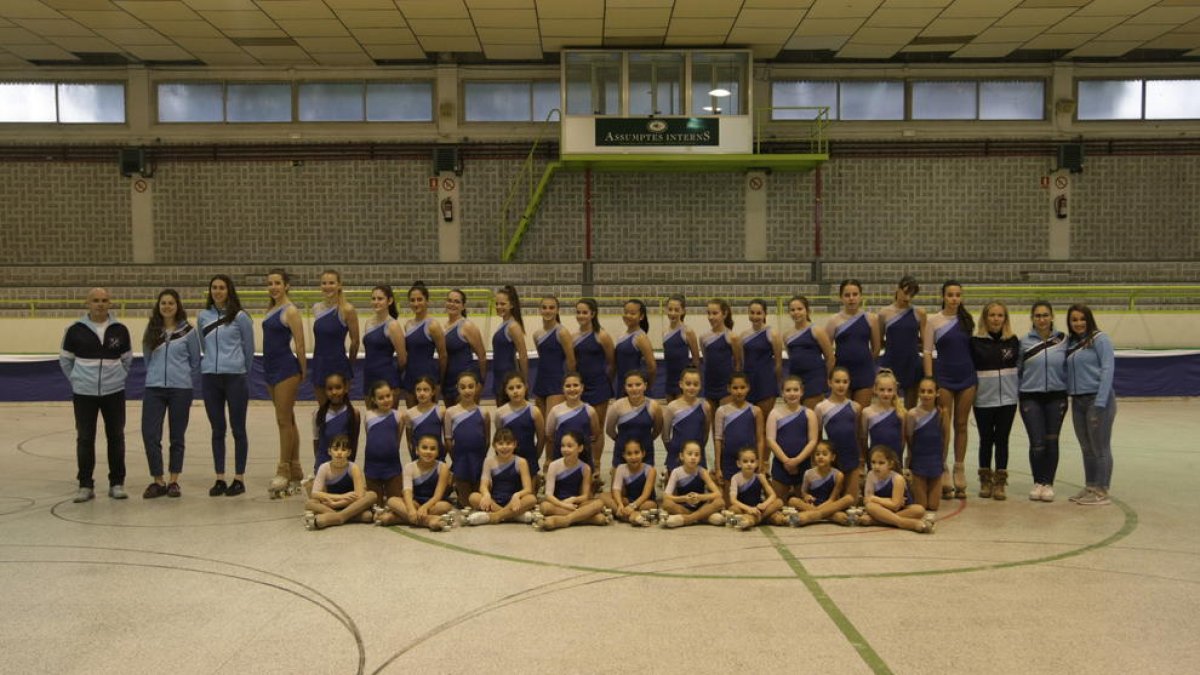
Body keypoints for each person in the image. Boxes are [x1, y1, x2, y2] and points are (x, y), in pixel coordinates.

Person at [60, 287, 132, 502]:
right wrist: (77, 380)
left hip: (114, 393)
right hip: (84, 394)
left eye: (104, 300)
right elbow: (65, 360)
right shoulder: (74, 330)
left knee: (116, 437)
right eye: (96, 300)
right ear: (87, 303)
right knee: (85, 439)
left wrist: (118, 378)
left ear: (110, 303)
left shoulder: (120, 329)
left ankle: (117, 483)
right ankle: (85, 485)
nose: (100, 304)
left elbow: (127, 360)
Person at [141, 289, 201, 499]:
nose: (167, 307)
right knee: (150, 434)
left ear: (178, 306)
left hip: (180, 389)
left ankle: (174, 481)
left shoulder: (189, 332)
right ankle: (158, 480)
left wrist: (184, 379)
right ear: (158, 306)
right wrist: (155, 375)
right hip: (154, 388)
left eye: (171, 303)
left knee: (177, 436)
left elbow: (195, 361)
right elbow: (147, 358)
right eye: (163, 303)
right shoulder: (152, 329)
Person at [198, 274, 254, 497]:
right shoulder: (203, 316)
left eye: (222, 287)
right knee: (217, 429)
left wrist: (241, 369)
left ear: (229, 290)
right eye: (214, 287)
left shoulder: (240, 317)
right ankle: (220, 477)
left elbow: (249, 348)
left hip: (235, 377)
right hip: (210, 378)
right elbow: (204, 345)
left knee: (238, 429)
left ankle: (239, 478)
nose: (218, 291)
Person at [924, 280, 976, 499]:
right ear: (943, 297)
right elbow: (927, 351)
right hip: (944, 377)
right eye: (950, 295)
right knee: (944, 425)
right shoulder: (933, 321)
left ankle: (959, 468)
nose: (954, 298)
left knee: (961, 424)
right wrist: (929, 379)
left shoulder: (967, 320)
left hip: (967, 376)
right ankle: (943, 467)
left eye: (957, 295)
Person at [1066, 304, 1117, 506]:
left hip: (1097, 400)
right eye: (1074, 320)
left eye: (1082, 319)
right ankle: (1090, 486)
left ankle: (1102, 490)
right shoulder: (1071, 343)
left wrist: (1100, 402)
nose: (1078, 323)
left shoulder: (1100, 339)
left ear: (1089, 319)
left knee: (1100, 447)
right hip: (1078, 401)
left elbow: (1107, 369)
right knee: (1086, 447)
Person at [1019, 301, 1068, 502]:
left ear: (1052, 316)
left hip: (1056, 396)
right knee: (1037, 442)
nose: (1042, 319)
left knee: (1052, 441)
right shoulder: (1024, 342)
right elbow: (1018, 369)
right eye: (1038, 316)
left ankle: (1048, 483)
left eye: (1045, 315)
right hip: (1030, 396)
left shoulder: (1063, 340)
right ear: (1032, 318)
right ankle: (1038, 481)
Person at [263, 268, 306, 498]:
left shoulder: (290, 311)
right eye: (270, 283)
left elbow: (300, 343)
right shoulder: (270, 309)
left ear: (286, 285)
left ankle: (283, 469)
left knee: (283, 421)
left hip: (286, 369)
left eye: (277, 283)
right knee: (288, 419)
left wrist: (302, 370)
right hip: (270, 368)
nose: (273, 287)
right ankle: (295, 469)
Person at [971, 301, 1020, 500]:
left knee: (1002, 440)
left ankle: (1000, 481)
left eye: (1000, 315)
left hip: (1008, 400)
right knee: (985, 440)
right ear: (985, 318)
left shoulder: (1013, 341)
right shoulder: (975, 342)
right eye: (992, 315)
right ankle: (985, 479)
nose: (996, 319)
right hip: (983, 400)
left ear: (1005, 318)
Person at [374, 434, 454, 531]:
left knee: (445, 506)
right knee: (392, 501)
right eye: (424, 448)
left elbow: (438, 495)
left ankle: (397, 518)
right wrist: (411, 509)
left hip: (433, 504)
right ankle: (429, 520)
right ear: (417, 450)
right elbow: (407, 492)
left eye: (433, 449)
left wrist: (424, 507)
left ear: (437, 452)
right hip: (414, 502)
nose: (428, 451)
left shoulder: (442, 467)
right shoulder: (409, 467)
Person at [535, 431, 610, 530]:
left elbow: (585, 496)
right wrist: (564, 505)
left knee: (599, 503)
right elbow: (548, 495)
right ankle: (586, 518)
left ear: (580, 448)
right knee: (545, 507)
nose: (565, 449)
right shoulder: (554, 466)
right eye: (563, 446)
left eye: (569, 446)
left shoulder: (585, 468)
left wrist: (573, 499)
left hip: (576, 505)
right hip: (557, 503)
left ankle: (565, 520)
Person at [825, 279, 880, 409]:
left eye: (855, 294)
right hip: (841, 373)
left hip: (864, 372)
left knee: (861, 413)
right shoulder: (833, 321)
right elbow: (827, 352)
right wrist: (830, 374)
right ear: (841, 297)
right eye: (847, 295)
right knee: (844, 414)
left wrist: (864, 362)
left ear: (861, 296)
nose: (851, 298)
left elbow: (876, 348)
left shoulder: (871, 319)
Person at [464, 428, 538, 525]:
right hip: (495, 501)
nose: (504, 447)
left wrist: (517, 495)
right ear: (494, 445)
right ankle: (513, 516)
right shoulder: (489, 461)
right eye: (500, 443)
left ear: (515, 444)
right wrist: (486, 494)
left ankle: (495, 516)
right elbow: (483, 485)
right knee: (473, 497)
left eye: (508, 443)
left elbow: (528, 489)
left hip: (514, 502)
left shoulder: (521, 462)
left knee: (531, 499)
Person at [303, 435, 377, 530]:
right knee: (310, 503)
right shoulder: (324, 468)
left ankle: (338, 517)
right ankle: (344, 516)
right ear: (329, 451)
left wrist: (337, 504)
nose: (339, 453)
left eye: (343, 450)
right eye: (335, 449)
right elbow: (315, 493)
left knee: (372, 495)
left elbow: (359, 496)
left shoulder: (353, 468)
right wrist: (340, 497)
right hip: (330, 504)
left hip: (350, 505)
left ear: (349, 452)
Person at [573, 298, 614, 466]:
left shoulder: (602, 335)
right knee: (582, 426)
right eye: (578, 312)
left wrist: (604, 381)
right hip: (581, 388)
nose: (581, 315)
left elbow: (611, 362)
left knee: (597, 428)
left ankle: (596, 464)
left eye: (585, 312)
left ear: (593, 314)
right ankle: (582, 462)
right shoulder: (573, 337)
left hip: (599, 386)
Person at [310, 269, 359, 406]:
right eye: (324, 283)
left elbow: (355, 341)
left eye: (331, 283)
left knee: (340, 408)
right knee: (323, 409)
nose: (327, 286)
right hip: (319, 363)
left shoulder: (347, 309)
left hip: (338, 363)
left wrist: (349, 364)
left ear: (339, 285)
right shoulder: (316, 308)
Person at [858, 445, 934, 534]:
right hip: (881, 509)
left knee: (919, 510)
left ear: (890, 464)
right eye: (873, 462)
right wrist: (888, 501)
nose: (876, 466)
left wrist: (875, 498)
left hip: (900, 510)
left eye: (881, 463)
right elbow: (867, 500)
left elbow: (895, 506)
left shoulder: (897, 479)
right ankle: (904, 522)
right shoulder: (871, 475)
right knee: (870, 506)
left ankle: (878, 521)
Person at [767, 375, 819, 505]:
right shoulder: (774, 413)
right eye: (788, 390)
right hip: (780, 465)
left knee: (803, 503)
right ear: (782, 393)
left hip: (803, 465)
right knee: (777, 504)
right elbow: (770, 440)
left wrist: (797, 460)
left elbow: (813, 441)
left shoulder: (809, 414)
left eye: (795, 390)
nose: (792, 393)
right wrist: (786, 461)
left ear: (802, 392)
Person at [815, 366, 863, 502]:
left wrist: (861, 460)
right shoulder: (821, 407)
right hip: (831, 459)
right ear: (829, 382)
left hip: (851, 457)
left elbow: (858, 435)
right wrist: (818, 461)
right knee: (832, 500)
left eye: (845, 382)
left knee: (851, 501)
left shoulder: (855, 407)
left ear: (849, 383)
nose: (841, 385)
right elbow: (818, 438)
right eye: (837, 381)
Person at [877, 276, 925, 408]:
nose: (907, 298)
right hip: (891, 362)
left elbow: (925, 341)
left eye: (911, 295)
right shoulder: (884, 313)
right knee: (888, 407)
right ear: (897, 289)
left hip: (912, 363)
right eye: (905, 293)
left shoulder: (919, 313)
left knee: (911, 409)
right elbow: (879, 340)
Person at [713, 372, 763, 497]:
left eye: (742, 387)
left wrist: (761, 461)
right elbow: (718, 439)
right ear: (728, 388)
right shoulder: (722, 411)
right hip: (729, 461)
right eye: (735, 388)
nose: (739, 391)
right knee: (729, 501)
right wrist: (718, 467)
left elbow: (760, 439)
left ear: (748, 388)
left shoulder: (755, 411)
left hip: (749, 461)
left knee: (750, 499)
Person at [445, 371, 489, 504]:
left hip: (478, 460)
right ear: (457, 388)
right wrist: (456, 459)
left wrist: (482, 458)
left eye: (471, 386)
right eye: (463, 387)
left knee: (477, 499)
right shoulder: (450, 412)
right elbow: (448, 439)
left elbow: (487, 439)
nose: (467, 391)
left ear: (477, 387)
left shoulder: (484, 412)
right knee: (465, 503)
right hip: (460, 460)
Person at [661, 440, 726, 528]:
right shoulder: (676, 472)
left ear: (700, 458)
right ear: (682, 456)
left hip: (701, 506)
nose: (693, 457)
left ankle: (687, 519)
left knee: (720, 501)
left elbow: (718, 494)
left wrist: (700, 497)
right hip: (684, 507)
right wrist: (684, 498)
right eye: (690, 454)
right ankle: (703, 517)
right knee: (666, 504)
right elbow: (666, 496)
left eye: (696, 455)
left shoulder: (702, 471)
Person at [605, 370, 663, 469]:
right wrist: (622, 441)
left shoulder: (654, 406)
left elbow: (657, 429)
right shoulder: (617, 406)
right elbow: (609, 430)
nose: (634, 388)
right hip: (622, 451)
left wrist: (646, 440)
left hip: (646, 451)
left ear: (645, 386)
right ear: (625, 387)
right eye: (630, 385)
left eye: (638, 385)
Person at [788, 441, 854, 526]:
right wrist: (806, 496)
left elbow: (832, 499)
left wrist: (818, 510)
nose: (820, 457)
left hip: (830, 505)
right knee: (792, 500)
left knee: (849, 498)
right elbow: (803, 493)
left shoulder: (838, 475)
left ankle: (812, 515)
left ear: (832, 457)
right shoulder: (808, 474)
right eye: (817, 454)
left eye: (824, 454)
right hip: (813, 505)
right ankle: (825, 515)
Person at [906, 377, 948, 512]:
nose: (926, 395)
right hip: (919, 461)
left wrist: (943, 460)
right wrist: (911, 459)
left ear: (937, 393)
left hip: (935, 461)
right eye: (922, 391)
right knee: (922, 506)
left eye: (930, 391)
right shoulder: (912, 414)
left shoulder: (942, 413)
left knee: (933, 506)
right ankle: (911, 486)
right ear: (918, 392)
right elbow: (909, 438)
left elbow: (946, 437)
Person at [784, 294, 833, 409]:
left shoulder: (817, 330)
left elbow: (830, 358)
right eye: (792, 310)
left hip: (814, 379)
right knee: (795, 414)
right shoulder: (786, 335)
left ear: (807, 310)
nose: (796, 312)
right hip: (795, 379)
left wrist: (828, 379)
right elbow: (792, 357)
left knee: (811, 414)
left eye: (799, 309)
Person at [402, 281, 446, 407]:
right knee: (411, 415)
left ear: (427, 301)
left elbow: (443, 355)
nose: (416, 303)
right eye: (412, 300)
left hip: (428, 376)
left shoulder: (433, 325)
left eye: (419, 299)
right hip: (410, 376)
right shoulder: (407, 324)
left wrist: (440, 380)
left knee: (429, 415)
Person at [493, 372, 545, 478]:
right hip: (508, 459)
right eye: (511, 388)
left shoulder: (534, 411)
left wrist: (535, 457)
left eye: (518, 387)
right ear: (505, 391)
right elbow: (498, 439)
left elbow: (541, 438)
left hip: (529, 458)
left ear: (525, 387)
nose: (515, 391)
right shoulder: (500, 413)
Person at [545, 372, 600, 469]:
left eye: (575, 385)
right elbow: (549, 435)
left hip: (584, 458)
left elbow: (595, 434)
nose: (572, 389)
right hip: (561, 458)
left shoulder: (590, 411)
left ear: (582, 387)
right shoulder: (555, 411)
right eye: (568, 386)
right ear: (563, 388)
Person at [361, 285, 406, 406]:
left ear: (389, 301)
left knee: (389, 417)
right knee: (371, 416)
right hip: (369, 376)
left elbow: (402, 359)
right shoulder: (368, 322)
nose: (376, 302)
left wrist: (393, 374)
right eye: (373, 298)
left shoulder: (393, 325)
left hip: (387, 378)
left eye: (380, 299)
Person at [442, 288, 487, 406]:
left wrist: (481, 382)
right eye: (449, 300)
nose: (452, 304)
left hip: (466, 382)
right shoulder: (444, 327)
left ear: (463, 306)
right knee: (450, 416)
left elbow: (482, 355)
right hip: (448, 381)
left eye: (457, 302)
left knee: (465, 416)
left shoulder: (468, 326)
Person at [363, 380, 404, 507]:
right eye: (381, 398)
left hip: (392, 465)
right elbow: (369, 438)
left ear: (393, 395)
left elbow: (397, 440)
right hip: (372, 465)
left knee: (395, 503)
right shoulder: (368, 415)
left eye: (388, 396)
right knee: (376, 505)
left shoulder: (399, 416)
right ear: (373, 400)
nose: (385, 400)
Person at [662, 368, 712, 472]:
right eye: (688, 384)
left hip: (697, 455)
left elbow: (706, 433)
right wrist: (673, 451)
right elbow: (665, 436)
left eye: (695, 384)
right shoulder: (672, 407)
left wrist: (698, 449)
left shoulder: (705, 406)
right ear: (681, 384)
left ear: (700, 386)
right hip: (677, 454)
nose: (692, 387)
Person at [532, 295, 575, 415]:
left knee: (552, 422)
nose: (548, 311)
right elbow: (543, 357)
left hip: (557, 382)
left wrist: (569, 385)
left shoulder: (562, 332)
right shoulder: (536, 335)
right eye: (544, 307)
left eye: (551, 307)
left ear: (557, 310)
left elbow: (571, 361)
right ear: (540, 310)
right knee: (540, 423)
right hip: (541, 381)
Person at [311, 372, 360, 477]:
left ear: (345, 388)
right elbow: (316, 441)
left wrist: (349, 468)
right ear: (325, 391)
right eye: (330, 389)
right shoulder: (318, 414)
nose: (334, 392)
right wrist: (318, 467)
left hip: (344, 468)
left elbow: (354, 443)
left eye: (338, 387)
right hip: (323, 466)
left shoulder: (354, 414)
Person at [601, 439, 659, 527]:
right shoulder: (621, 468)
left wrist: (632, 506)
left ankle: (622, 515)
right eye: (629, 454)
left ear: (643, 453)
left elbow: (645, 494)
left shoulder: (650, 470)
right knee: (603, 496)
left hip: (643, 502)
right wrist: (620, 504)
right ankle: (633, 516)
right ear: (624, 455)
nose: (633, 457)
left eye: (637, 452)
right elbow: (616, 489)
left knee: (651, 505)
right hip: (627, 500)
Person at [742, 299, 783, 420]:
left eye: (759, 313)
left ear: (765, 314)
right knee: (749, 421)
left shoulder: (773, 334)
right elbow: (741, 361)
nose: (755, 316)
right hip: (748, 381)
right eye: (752, 313)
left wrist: (778, 385)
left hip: (766, 382)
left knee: (764, 421)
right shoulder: (743, 336)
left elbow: (778, 363)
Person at [726, 448, 785, 530]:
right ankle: (761, 519)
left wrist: (764, 504)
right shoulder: (735, 478)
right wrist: (748, 509)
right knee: (733, 509)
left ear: (757, 463)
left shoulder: (760, 477)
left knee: (779, 502)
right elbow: (733, 500)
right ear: (739, 463)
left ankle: (751, 519)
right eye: (745, 461)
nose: (749, 464)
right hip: (744, 509)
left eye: (752, 461)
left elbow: (773, 495)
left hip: (759, 508)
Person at [701, 298, 742, 412]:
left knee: (725, 418)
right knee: (712, 420)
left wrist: (734, 385)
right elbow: (706, 360)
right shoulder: (703, 338)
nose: (711, 317)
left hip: (726, 385)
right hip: (710, 384)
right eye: (709, 313)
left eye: (715, 313)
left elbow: (738, 364)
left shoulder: (732, 337)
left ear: (724, 314)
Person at [859, 369, 906, 467]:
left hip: (895, 460)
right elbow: (863, 440)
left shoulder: (901, 413)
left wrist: (898, 458)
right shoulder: (867, 413)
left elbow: (902, 441)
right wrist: (867, 458)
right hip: (876, 460)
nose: (886, 393)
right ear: (875, 389)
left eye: (889, 390)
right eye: (882, 390)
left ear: (895, 390)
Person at [491, 285, 528, 402]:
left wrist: (524, 381)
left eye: (502, 304)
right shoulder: (503, 324)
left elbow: (523, 355)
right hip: (499, 375)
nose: (498, 307)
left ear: (511, 305)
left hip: (509, 377)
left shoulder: (513, 326)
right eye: (497, 304)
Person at [662, 294, 700, 402]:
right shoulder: (665, 332)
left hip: (684, 380)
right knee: (670, 409)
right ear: (666, 310)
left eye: (676, 310)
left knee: (681, 409)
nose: (673, 313)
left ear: (682, 311)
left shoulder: (687, 331)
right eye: (670, 309)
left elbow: (696, 359)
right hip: (669, 379)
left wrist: (692, 382)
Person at [614, 299, 656, 394]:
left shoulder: (641, 338)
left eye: (632, 313)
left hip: (634, 388)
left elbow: (652, 367)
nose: (628, 316)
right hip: (621, 384)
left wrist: (647, 387)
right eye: (626, 312)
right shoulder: (622, 335)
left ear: (641, 316)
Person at [405, 376, 445, 461]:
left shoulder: (441, 411)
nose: (422, 393)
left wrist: (442, 456)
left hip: (437, 458)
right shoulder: (409, 413)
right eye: (418, 390)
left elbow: (446, 438)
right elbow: (409, 441)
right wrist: (413, 457)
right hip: (418, 458)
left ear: (433, 392)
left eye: (426, 390)